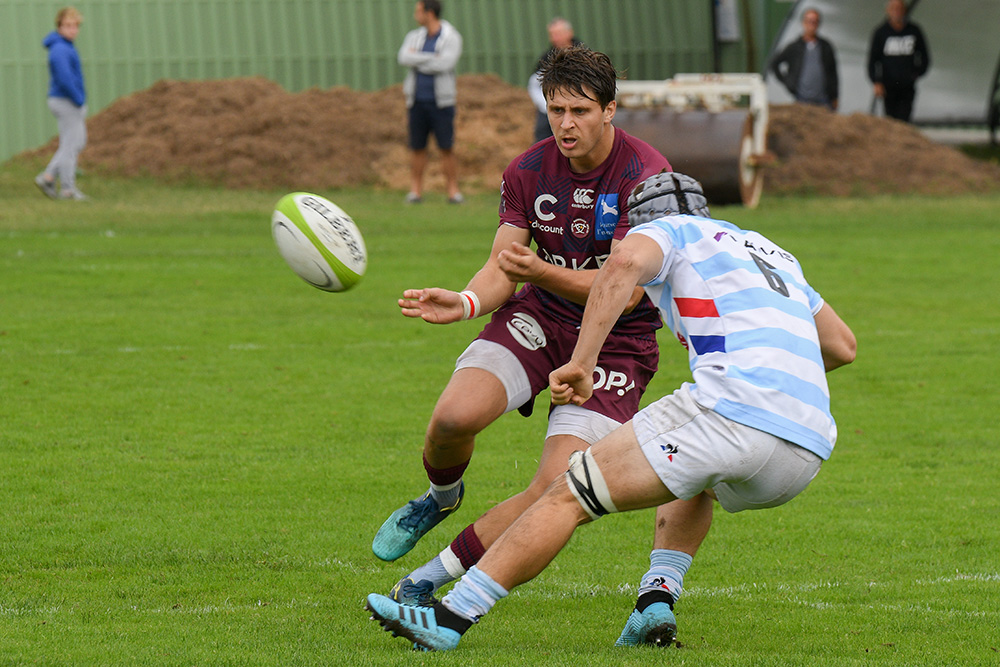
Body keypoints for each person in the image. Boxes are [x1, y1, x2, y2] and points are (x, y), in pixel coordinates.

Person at [366, 171, 858, 651]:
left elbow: (622, 265)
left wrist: (581, 363)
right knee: (696, 476)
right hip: (807, 446)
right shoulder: (769, 251)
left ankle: (451, 616)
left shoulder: (669, 230)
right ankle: (655, 600)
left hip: (731, 410)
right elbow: (841, 346)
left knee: (566, 493)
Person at [371, 46, 674, 613]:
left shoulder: (645, 175)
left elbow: (628, 290)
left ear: (610, 109)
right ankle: (439, 498)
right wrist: (464, 302)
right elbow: (503, 266)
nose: (565, 123)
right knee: (452, 419)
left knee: (553, 488)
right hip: (540, 318)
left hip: (618, 342)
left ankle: (428, 580)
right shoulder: (528, 170)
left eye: (580, 111)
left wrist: (540, 271)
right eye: (556, 109)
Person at [398, 0, 463, 204]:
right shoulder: (414, 36)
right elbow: (403, 58)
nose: (415, 15)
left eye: (418, 10)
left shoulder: (451, 37)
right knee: (417, 147)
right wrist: (431, 58)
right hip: (416, 101)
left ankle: (453, 192)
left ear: (430, 12)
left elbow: (445, 63)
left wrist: (417, 58)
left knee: (446, 147)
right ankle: (415, 191)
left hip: (441, 103)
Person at [36, 6, 88, 201]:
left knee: (76, 142)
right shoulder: (59, 49)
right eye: (67, 25)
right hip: (65, 100)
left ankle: (48, 177)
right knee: (71, 144)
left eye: (75, 26)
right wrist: (78, 98)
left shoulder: (65, 46)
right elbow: (65, 78)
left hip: (65, 100)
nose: (72, 30)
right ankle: (67, 189)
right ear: (59, 26)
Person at [867, 0, 930, 123]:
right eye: (894, 8)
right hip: (888, 86)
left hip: (907, 86)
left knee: (904, 119)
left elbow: (925, 56)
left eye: (899, 8)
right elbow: (872, 60)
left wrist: (916, 73)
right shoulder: (881, 33)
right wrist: (876, 82)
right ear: (888, 11)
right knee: (890, 120)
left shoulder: (914, 31)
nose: (897, 11)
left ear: (904, 11)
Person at [770, 8, 839, 110]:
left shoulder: (826, 47)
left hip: (824, 100)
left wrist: (835, 96)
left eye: (815, 21)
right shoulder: (794, 47)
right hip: (802, 99)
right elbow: (774, 63)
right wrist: (788, 82)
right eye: (809, 21)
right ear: (803, 23)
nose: (812, 24)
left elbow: (833, 74)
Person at [528, 17, 581, 144]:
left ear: (569, 33)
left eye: (558, 34)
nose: (555, 38)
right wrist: (547, 105)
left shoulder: (585, 55)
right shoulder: (546, 59)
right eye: (552, 35)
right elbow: (535, 84)